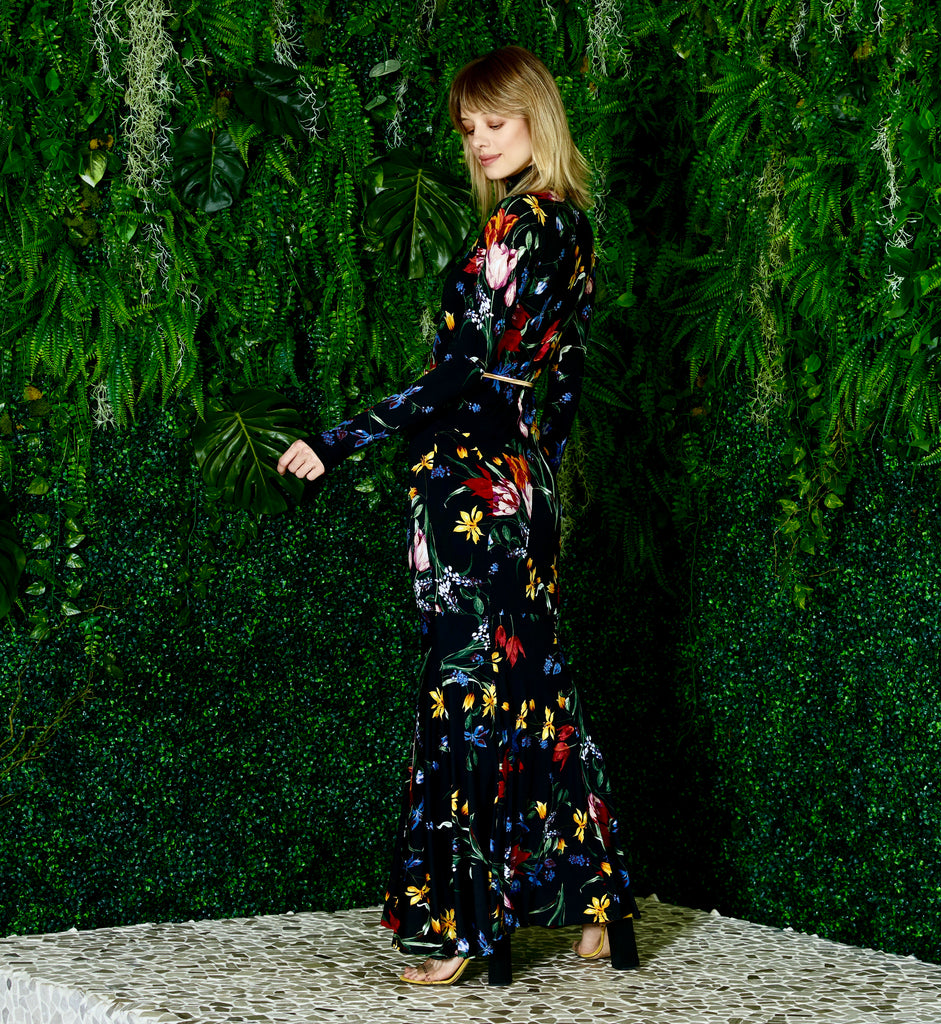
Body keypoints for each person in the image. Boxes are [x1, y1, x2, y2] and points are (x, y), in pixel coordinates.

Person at [277, 45, 639, 987]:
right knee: (537, 686)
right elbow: (565, 380)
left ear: (535, 119)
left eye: (496, 123)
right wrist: (535, 477)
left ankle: (464, 929)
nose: (479, 142)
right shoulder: (575, 227)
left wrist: (341, 439)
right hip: (523, 485)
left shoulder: (516, 225)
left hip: (473, 490)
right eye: (469, 128)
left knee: (466, 695)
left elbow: (455, 376)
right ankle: (598, 911)